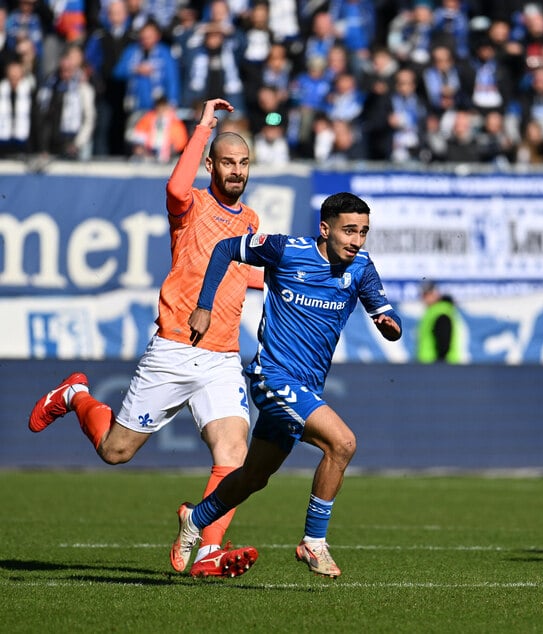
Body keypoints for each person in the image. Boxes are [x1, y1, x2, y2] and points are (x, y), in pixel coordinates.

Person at [28, 98, 261, 578]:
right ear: (212, 165)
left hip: (222, 357)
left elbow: (243, 275)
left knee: (235, 456)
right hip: (176, 347)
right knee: (115, 451)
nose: (236, 171)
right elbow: (176, 184)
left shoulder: (252, 221)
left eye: (243, 164)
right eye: (228, 162)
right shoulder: (191, 203)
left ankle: (209, 550)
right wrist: (202, 130)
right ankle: (75, 394)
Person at [170, 192, 403, 579]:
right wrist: (205, 305)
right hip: (272, 375)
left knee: (253, 478)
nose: (356, 241)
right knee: (342, 443)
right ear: (325, 229)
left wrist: (389, 325)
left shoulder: (361, 267)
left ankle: (195, 518)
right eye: (349, 231)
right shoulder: (286, 250)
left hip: (307, 387)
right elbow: (226, 247)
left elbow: (385, 312)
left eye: (363, 232)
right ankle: (313, 543)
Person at [416, 280, 461, 364]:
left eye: (427, 294)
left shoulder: (440, 313)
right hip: (432, 367)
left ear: (436, 293)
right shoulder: (433, 312)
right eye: (423, 294)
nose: (424, 297)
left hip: (439, 368)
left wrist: (439, 365)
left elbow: (444, 343)